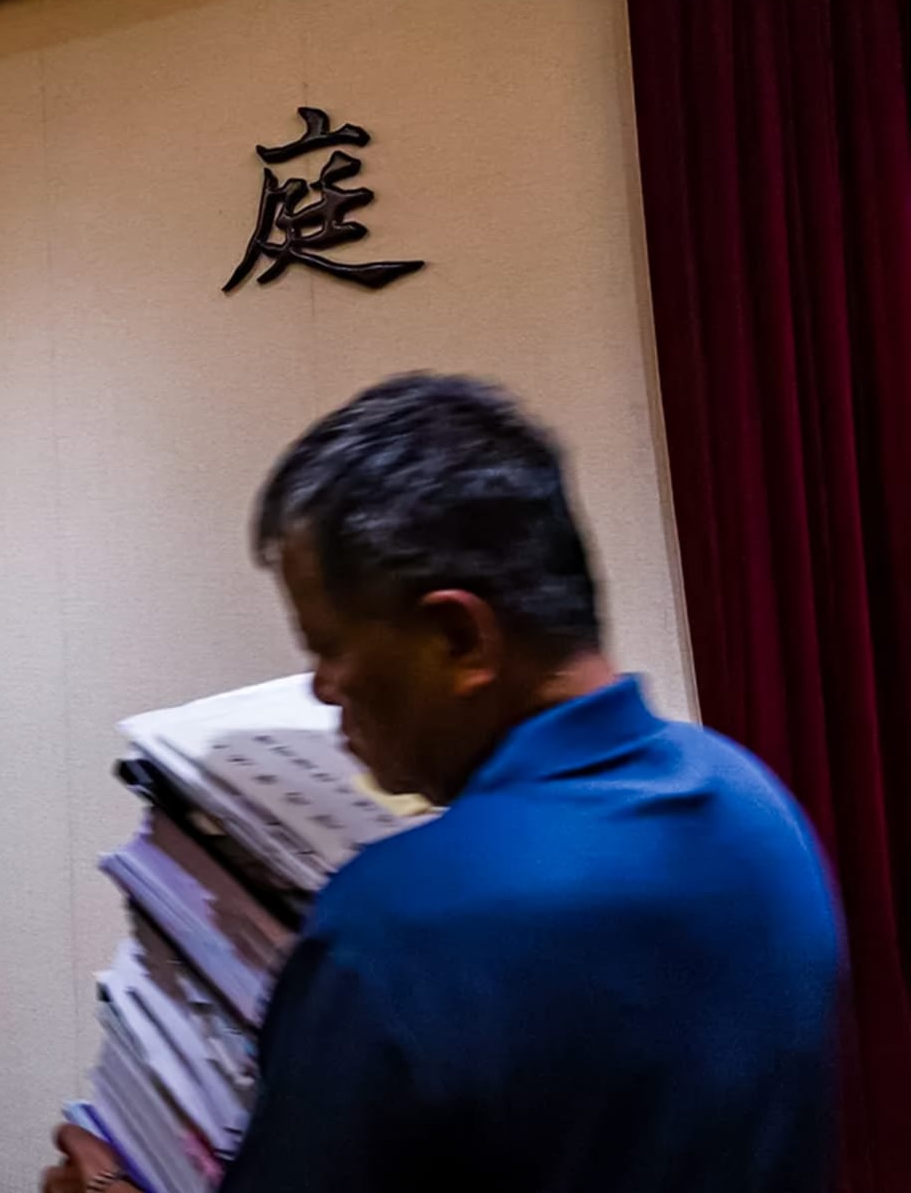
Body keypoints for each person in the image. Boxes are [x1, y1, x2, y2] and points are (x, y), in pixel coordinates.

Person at [44, 373, 841, 1193]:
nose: (323, 687)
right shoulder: (757, 806)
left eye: (328, 646)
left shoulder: (399, 922)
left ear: (460, 637)